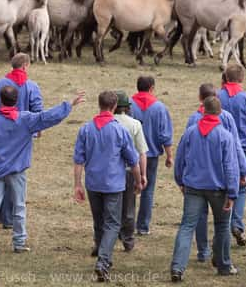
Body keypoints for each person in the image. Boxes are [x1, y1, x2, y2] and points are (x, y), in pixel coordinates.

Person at [0, 86, 85, 259]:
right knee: (19, 206)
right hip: (16, 170)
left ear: (1, 100)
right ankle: (19, 242)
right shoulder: (25, 119)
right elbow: (48, 117)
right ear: (16, 100)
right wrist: (69, 104)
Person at [74, 91, 142, 282]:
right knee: (113, 223)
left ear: (99, 104)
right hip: (114, 184)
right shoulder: (120, 130)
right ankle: (103, 261)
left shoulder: (86, 129)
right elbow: (133, 161)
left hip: (93, 183)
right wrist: (138, 181)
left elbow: (78, 160)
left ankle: (99, 246)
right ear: (114, 107)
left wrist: (77, 184)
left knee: (99, 219)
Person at [171, 97, 239, 282]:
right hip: (218, 189)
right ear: (219, 112)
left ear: (203, 111)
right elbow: (230, 167)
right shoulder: (225, 136)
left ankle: (177, 267)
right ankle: (224, 265)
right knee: (222, 225)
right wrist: (232, 192)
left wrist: (180, 181)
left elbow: (180, 159)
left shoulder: (190, 132)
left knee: (187, 226)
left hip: (193, 187)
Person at [186, 83, 246, 262]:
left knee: (199, 215)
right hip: (220, 178)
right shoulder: (226, 117)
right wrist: (242, 171)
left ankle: (203, 251)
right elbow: (236, 146)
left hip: (197, 177)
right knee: (222, 219)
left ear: (200, 99)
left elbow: (186, 147)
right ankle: (220, 254)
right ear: (217, 100)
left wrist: (183, 178)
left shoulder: (192, 119)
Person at [0, 53, 43, 229]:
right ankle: (9, 217)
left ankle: (0, 215)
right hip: (20, 135)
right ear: (25, 66)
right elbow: (37, 110)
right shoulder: (31, 86)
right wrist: (37, 129)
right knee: (15, 173)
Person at [218, 64, 246, 246]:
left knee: (221, 187)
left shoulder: (216, 97)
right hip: (241, 148)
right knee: (241, 187)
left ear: (225, 77)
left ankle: (223, 226)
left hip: (217, 147)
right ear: (241, 79)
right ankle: (236, 224)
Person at [130, 76, 173, 235]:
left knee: (130, 190)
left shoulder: (129, 104)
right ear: (151, 88)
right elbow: (165, 135)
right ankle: (142, 226)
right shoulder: (160, 107)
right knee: (148, 191)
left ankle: (128, 223)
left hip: (131, 154)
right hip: (152, 154)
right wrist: (169, 155)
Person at [113, 90, 148, 252]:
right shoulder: (135, 124)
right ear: (126, 108)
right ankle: (127, 239)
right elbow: (141, 152)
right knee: (129, 207)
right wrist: (143, 175)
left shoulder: (107, 122)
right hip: (129, 171)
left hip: (110, 170)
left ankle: (108, 237)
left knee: (111, 206)